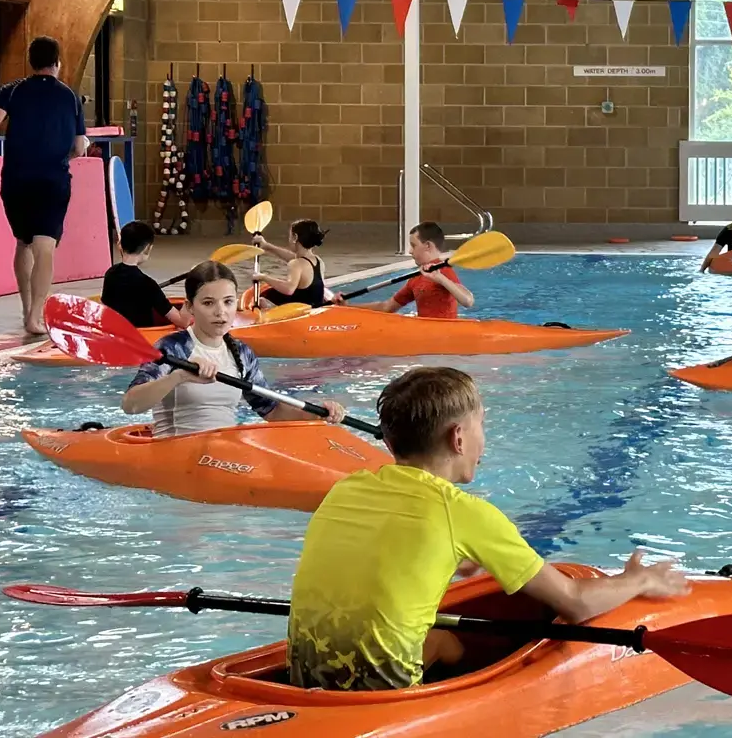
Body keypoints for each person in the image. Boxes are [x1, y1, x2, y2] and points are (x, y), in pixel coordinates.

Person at [286, 366, 689, 690]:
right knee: (456, 651)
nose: (485, 440)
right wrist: (638, 580)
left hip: (304, 674)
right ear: (458, 437)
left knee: (444, 643)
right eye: (482, 425)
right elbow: (575, 601)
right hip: (382, 690)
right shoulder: (462, 512)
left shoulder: (347, 487)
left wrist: (450, 558)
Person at [121, 260, 346, 438]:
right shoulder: (173, 348)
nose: (221, 312)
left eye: (228, 302)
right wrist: (178, 377)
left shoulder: (241, 353)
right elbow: (130, 404)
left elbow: (272, 411)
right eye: (208, 303)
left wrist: (316, 414)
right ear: (189, 307)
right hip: (176, 452)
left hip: (223, 453)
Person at [0, 36, 86, 336]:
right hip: (53, 180)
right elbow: (80, 146)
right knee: (45, 246)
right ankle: (37, 315)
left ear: (31, 62)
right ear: (58, 62)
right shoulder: (71, 97)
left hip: (17, 179)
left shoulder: (13, 90)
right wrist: (67, 151)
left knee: (23, 242)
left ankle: (25, 310)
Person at [371, 222, 474, 319]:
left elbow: (468, 301)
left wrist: (441, 279)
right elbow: (386, 307)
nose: (410, 251)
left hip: (445, 334)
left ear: (427, 246)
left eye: (413, 245)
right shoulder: (416, 278)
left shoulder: (443, 271)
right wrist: (354, 308)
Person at [99, 221, 189, 330]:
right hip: (142, 341)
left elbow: (104, 310)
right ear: (148, 249)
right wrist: (192, 287)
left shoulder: (110, 274)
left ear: (119, 245)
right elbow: (182, 322)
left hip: (116, 337)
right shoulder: (148, 285)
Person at [252, 219, 329, 309]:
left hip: (301, 311)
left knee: (262, 299)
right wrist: (267, 246)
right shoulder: (318, 261)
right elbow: (294, 258)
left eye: (289, 236)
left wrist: (263, 277)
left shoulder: (296, 264)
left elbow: (288, 289)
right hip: (315, 307)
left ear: (295, 237)